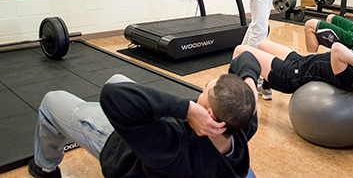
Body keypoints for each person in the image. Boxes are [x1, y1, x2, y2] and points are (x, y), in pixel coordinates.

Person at [29, 64, 260, 178]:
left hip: (120, 146)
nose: (200, 90)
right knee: (119, 79)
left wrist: (186, 108)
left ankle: (45, 167)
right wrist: (250, 84)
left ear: (208, 116)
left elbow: (112, 97)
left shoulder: (173, 148)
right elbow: (246, 56)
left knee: (51, 101)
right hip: (159, 141)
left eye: (205, 90)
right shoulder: (242, 126)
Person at [233, 39, 353, 105]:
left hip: (290, 75)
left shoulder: (351, 76)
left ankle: (233, 97)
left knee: (241, 51)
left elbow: (336, 48)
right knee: (262, 44)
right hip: (299, 61)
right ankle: (265, 86)